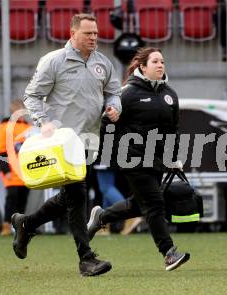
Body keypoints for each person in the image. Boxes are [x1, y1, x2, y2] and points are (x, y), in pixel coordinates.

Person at [11, 13, 122, 276]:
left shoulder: (102, 63)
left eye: (95, 33)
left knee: (69, 197)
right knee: (77, 196)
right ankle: (86, 258)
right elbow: (32, 95)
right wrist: (43, 121)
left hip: (90, 141)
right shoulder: (54, 61)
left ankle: (26, 223)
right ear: (72, 34)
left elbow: (114, 91)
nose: (94, 38)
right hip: (61, 144)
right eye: (87, 34)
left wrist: (114, 107)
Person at [87, 47, 190, 271]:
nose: (160, 65)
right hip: (132, 159)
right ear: (142, 67)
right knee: (154, 204)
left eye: (162, 61)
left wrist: (173, 158)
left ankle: (101, 217)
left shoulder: (170, 94)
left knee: (139, 203)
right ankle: (169, 253)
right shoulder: (128, 93)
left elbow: (173, 130)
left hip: (158, 160)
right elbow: (105, 124)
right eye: (155, 61)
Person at [0, 99, 31, 236]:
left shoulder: (28, 128)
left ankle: (19, 226)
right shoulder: (4, 128)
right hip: (11, 170)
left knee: (23, 198)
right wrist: (6, 170)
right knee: (12, 197)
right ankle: (6, 225)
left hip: (26, 171)